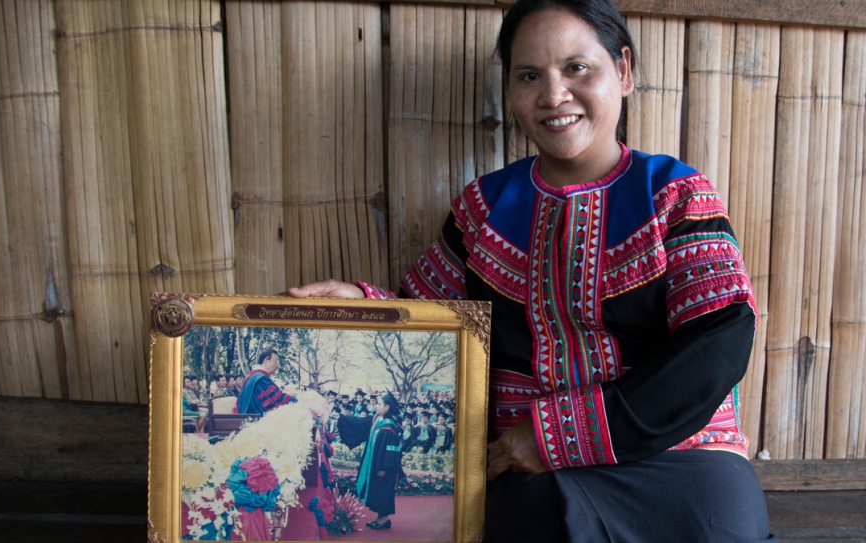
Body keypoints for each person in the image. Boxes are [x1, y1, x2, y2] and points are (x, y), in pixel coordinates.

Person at [287, 0, 775, 540]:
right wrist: (363, 304)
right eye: (529, 76)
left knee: (720, 528)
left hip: (680, 454)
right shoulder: (484, 208)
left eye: (576, 67)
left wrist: (553, 436)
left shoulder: (675, 195)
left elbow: (719, 342)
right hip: (530, 470)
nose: (553, 95)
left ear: (624, 71)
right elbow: (432, 329)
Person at [336, 393, 405, 530]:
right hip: (375, 465)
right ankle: (379, 518)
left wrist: (385, 468)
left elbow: (392, 452)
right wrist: (341, 418)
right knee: (377, 491)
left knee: (383, 491)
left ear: (387, 407)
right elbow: (358, 423)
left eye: (379, 404)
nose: (375, 407)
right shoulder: (376, 420)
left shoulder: (389, 428)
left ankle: (384, 519)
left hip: (384, 469)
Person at [237, 349, 297, 415]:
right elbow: (278, 400)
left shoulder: (252, 377)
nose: (277, 365)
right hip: (257, 419)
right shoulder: (261, 379)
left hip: (248, 418)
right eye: (275, 361)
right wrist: (298, 402)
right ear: (266, 361)